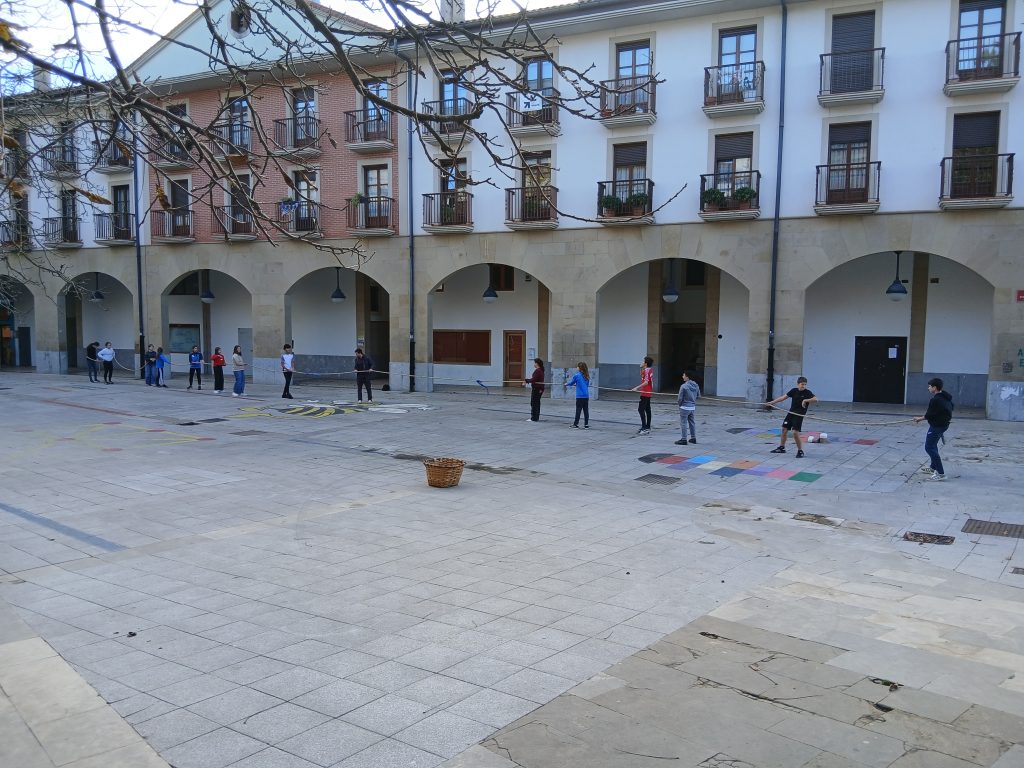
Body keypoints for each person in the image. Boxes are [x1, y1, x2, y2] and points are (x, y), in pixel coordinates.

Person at [766, 376, 818, 458]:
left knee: (795, 433)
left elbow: (816, 399)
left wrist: (805, 400)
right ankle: (782, 448)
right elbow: (783, 397)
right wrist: (772, 402)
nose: (803, 386)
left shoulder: (807, 392)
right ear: (798, 384)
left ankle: (800, 451)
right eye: (802, 384)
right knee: (784, 429)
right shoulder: (794, 390)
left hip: (799, 415)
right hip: (791, 413)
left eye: (805, 384)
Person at [914, 377, 954, 481]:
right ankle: (933, 467)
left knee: (929, 447)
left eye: (929, 386)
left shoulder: (935, 400)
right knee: (933, 445)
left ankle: (940, 473)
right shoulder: (946, 397)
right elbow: (950, 408)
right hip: (943, 425)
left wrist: (919, 419)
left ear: (934, 387)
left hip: (937, 426)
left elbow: (929, 414)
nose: (928, 388)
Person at [676, 370, 701, 445]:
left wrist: (680, 405)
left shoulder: (683, 386)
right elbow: (698, 396)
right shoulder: (696, 385)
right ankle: (693, 438)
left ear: (687, 377)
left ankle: (684, 439)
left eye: (684, 375)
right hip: (692, 407)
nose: (682, 376)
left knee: (683, 423)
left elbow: (680, 398)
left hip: (684, 407)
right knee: (692, 423)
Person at [631, 356, 654, 435]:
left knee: (641, 409)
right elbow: (642, 375)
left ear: (646, 363)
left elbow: (646, 382)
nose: (642, 362)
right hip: (648, 392)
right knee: (647, 409)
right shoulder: (648, 369)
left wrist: (636, 388)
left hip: (645, 393)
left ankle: (644, 428)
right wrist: (641, 368)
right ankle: (647, 427)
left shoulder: (647, 370)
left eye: (643, 361)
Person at [564, 362, 591, 428]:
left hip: (580, 396)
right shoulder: (587, 375)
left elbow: (571, 383)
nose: (577, 367)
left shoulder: (577, 375)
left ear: (580, 368)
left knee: (578, 410)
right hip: (586, 396)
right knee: (586, 410)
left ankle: (575, 424)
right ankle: (586, 424)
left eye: (577, 366)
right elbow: (586, 385)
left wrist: (566, 384)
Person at [524, 357, 544, 422]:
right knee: (536, 403)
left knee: (534, 403)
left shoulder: (538, 371)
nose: (534, 364)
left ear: (537, 364)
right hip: (539, 388)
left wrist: (526, 380)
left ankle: (534, 418)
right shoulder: (540, 370)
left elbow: (533, 379)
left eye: (535, 363)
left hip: (537, 389)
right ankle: (536, 417)